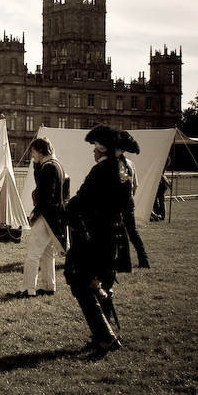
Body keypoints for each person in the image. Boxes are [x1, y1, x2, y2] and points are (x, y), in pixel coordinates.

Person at [64, 125, 130, 357]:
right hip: (114, 233)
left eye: (95, 148)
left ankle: (106, 337)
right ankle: (102, 335)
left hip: (96, 234)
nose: (93, 152)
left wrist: (68, 207)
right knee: (104, 282)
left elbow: (82, 200)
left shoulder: (101, 170)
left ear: (102, 150)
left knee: (81, 283)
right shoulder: (125, 168)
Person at [9, 137, 68, 298]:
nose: (32, 156)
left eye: (33, 152)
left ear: (40, 151)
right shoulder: (57, 165)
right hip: (55, 215)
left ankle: (28, 288)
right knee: (47, 253)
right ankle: (49, 286)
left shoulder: (48, 167)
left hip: (46, 215)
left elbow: (45, 194)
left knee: (33, 253)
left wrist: (36, 212)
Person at [119, 131, 150, 268]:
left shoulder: (118, 164)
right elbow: (135, 185)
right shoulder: (131, 163)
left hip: (120, 201)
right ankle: (143, 259)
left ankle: (124, 260)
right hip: (129, 200)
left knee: (123, 232)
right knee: (132, 231)